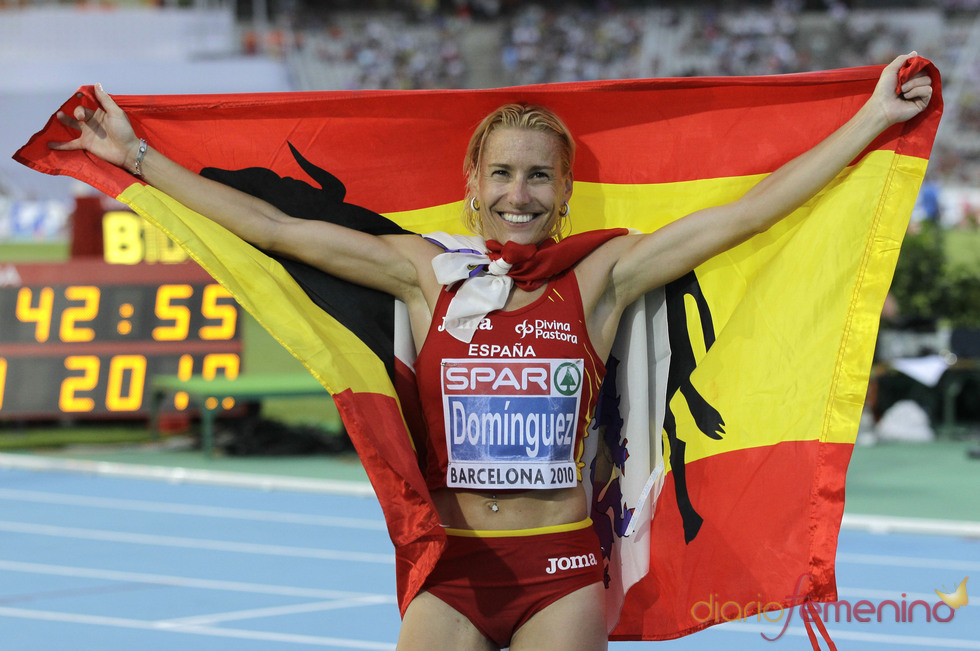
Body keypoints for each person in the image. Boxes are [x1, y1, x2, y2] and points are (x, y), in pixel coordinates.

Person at [50, 52, 932, 650]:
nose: (520, 192)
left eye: (539, 175)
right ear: (473, 187)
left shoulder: (600, 277)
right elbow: (274, 228)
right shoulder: (422, 274)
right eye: (503, 174)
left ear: (565, 191)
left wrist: (869, 121)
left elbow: (745, 215)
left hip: (561, 570)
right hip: (455, 568)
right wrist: (136, 157)